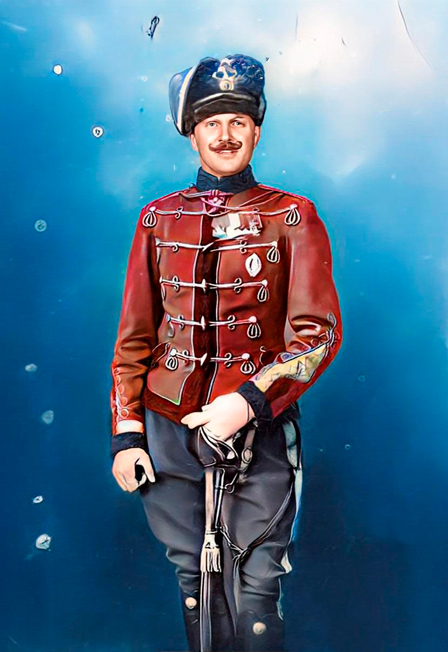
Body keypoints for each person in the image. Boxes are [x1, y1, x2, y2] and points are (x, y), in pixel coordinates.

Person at [109, 53, 342, 652]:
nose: (226, 135)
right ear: (192, 134)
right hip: (167, 431)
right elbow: (134, 339)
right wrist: (127, 434)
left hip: (261, 428)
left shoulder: (293, 216)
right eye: (211, 123)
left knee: (258, 585)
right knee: (194, 583)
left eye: (239, 121)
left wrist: (247, 402)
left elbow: (318, 336)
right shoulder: (157, 218)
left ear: (257, 131)